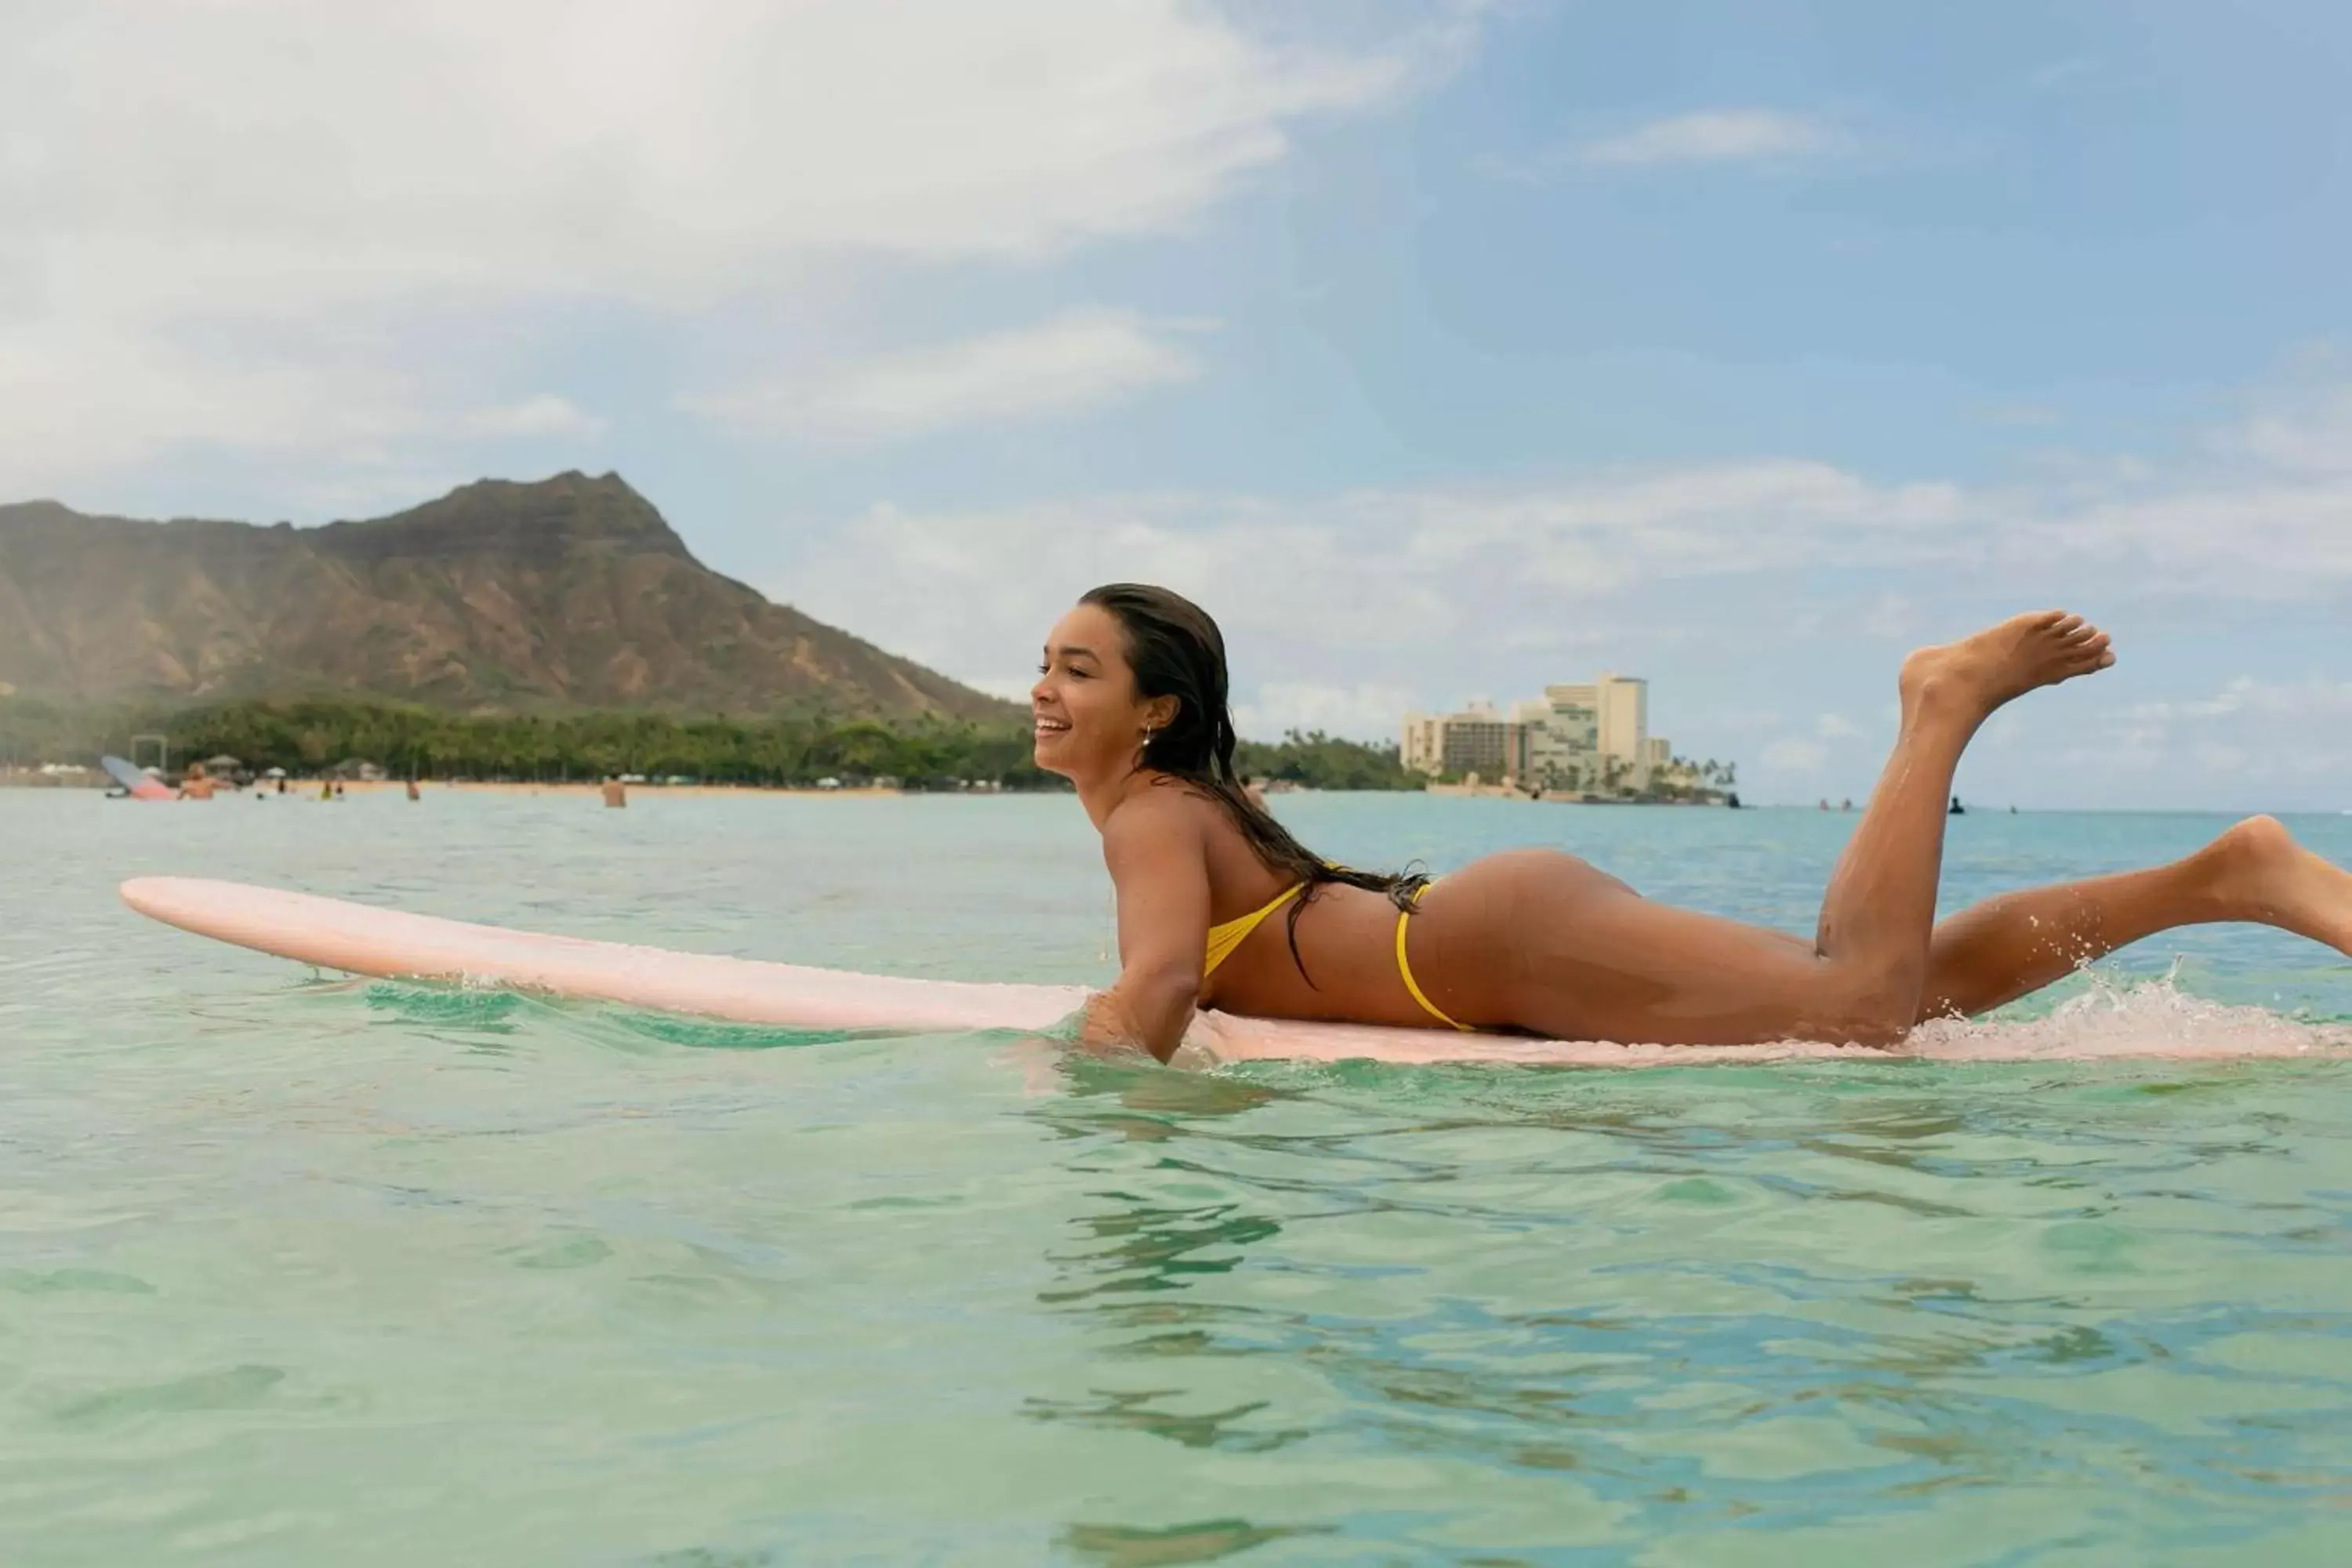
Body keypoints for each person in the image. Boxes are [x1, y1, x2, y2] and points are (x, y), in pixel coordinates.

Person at [1034, 584, 2352, 1064]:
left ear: (1155, 710)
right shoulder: (1195, 801)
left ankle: (1941, 708)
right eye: (1044, 661)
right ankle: (2226, 878)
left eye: (1078, 669)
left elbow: (1157, 984)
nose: (1044, 687)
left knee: (1857, 1009)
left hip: (1493, 955)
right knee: (1909, 983)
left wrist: (1072, 1091)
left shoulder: (1148, 815)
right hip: (1493, 937)